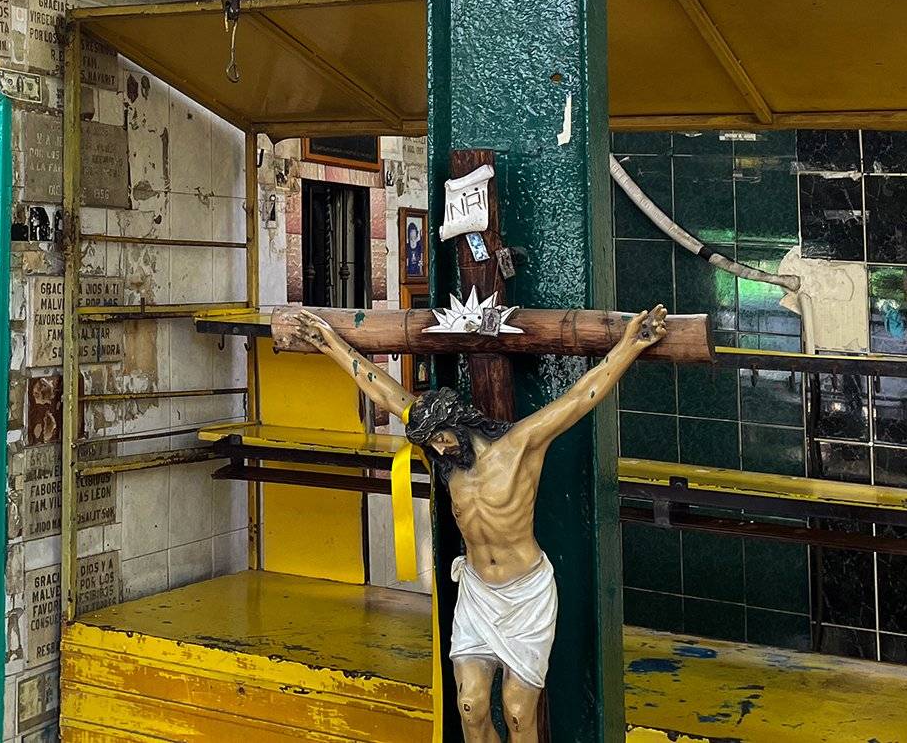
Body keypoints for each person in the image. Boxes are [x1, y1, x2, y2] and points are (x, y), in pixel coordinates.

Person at [286, 305, 668, 743]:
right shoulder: (445, 457)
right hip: (477, 593)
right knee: (470, 706)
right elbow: (383, 392)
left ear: (461, 422)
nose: (441, 449)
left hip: (526, 595)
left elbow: (582, 396)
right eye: (431, 442)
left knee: (520, 712)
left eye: (444, 437)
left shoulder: (520, 446)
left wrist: (631, 343)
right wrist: (328, 342)